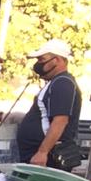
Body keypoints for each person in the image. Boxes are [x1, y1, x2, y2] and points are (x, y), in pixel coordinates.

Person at [16, 38, 82, 171]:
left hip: (47, 159)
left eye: (42, 60)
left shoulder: (63, 83)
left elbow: (60, 120)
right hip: (37, 156)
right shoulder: (54, 82)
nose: (38, 65)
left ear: (56, 60)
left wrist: (42, 152)